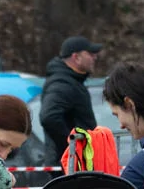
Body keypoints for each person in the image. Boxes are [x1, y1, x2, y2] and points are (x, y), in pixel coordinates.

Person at [40, 36, 101, 165]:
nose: (94, 57)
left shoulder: (72, 81)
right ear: (76, 57)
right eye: (90, 54)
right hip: (67, 165)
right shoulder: (63, 83)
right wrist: (71, 145)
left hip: (73, 162)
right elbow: (49, 117)